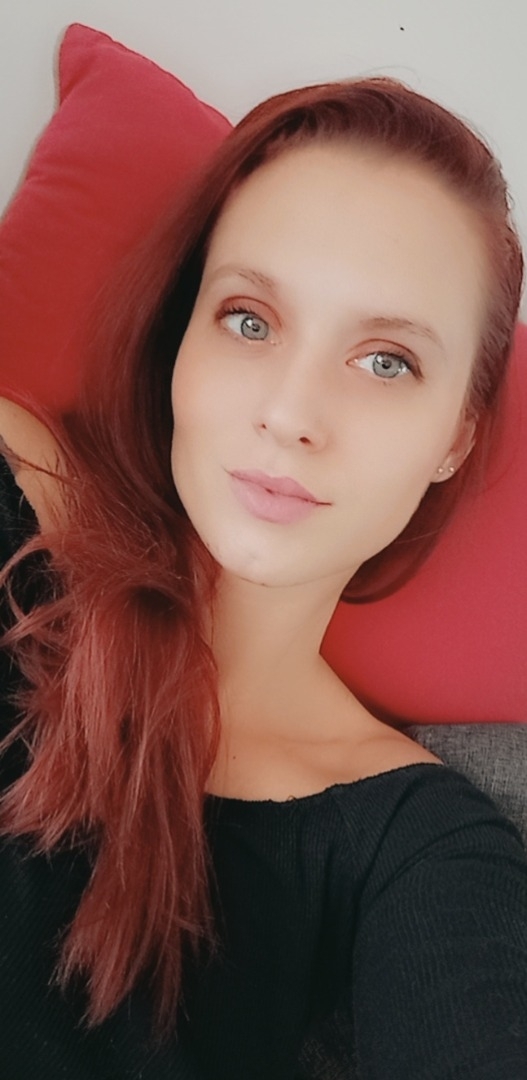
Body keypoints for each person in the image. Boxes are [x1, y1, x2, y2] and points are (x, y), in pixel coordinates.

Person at [0, 76, 526, 1080]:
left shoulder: (419, 847)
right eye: (248, 320)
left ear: (454, 438)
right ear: (181, 339)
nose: (289, 413)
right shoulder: (19, 506)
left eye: (384, 361)